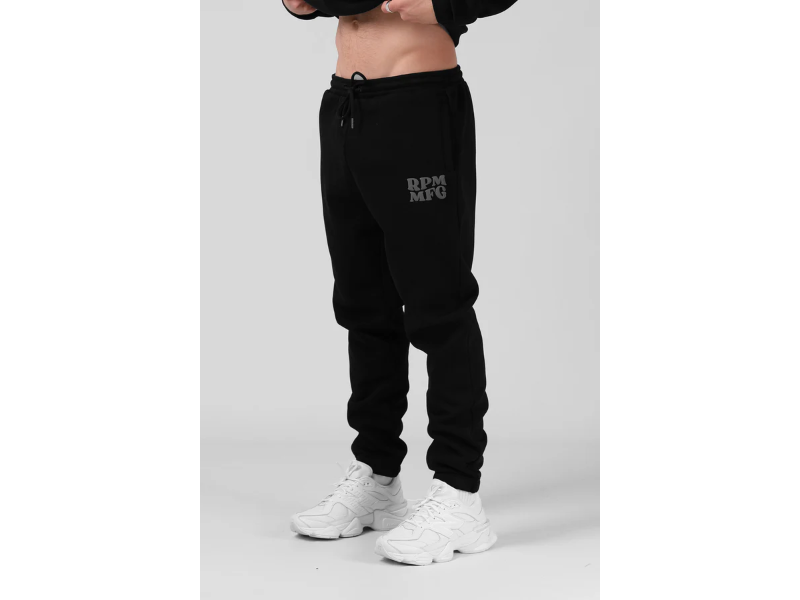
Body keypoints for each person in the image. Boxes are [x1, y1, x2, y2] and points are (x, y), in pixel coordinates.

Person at [283, 0, 517, 566]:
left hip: (418, 106)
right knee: (363, 303)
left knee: (439, 305)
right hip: (345, 105)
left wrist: (444, 5)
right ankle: (378, 476)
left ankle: (459, 493)